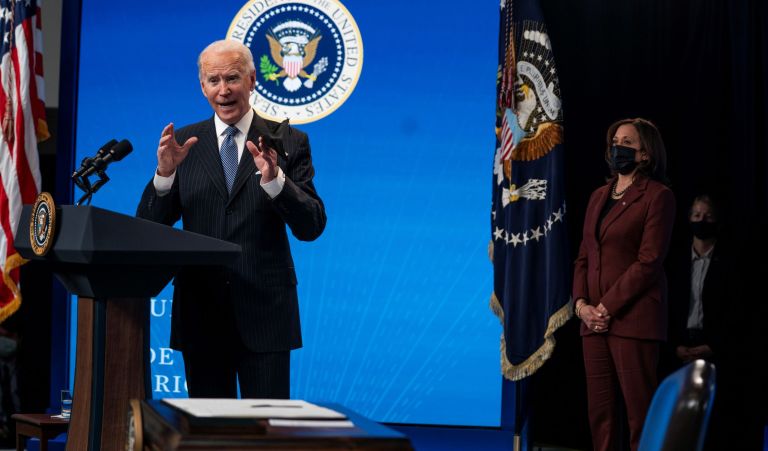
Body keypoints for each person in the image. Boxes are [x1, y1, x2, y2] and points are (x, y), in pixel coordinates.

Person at [136, 39, 326, 399]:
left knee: (267, 434)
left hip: (265, 315)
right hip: (201, 313)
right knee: (209, 435)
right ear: (202, 86)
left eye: (233, 79)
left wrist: (275, 181)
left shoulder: (287, 140)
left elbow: (312, 225)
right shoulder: (183, 143)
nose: (223, 90)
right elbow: (148, 227)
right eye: (214, 80)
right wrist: (164, 176)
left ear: (252, 80)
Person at [572, 118, 676, 451]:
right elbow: (583, 258)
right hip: (593, 323)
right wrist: (582, 306)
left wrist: (606, 307)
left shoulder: (658, 197)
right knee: (600, 414)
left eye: (627, 142)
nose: (618, 147)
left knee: (639, 415)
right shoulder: (598, 196)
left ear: (645, 154)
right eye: (615, 141)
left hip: (632, 321)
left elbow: (649, 261)